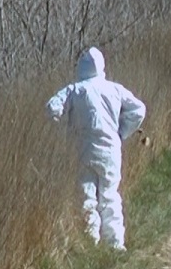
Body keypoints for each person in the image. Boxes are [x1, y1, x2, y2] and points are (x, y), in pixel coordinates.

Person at [46, 46, 147, 251]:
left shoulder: (75, 89)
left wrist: (62, 130)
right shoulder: (114, 89)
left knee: (86, 197)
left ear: (81, 67)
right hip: (110, 151)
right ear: (101, 66)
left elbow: (52, 107)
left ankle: (91, 242)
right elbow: (139, 110)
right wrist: (122, 132)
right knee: (110, 195)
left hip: (83, 150)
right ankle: (116, 244)